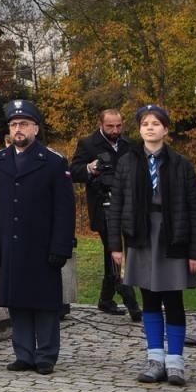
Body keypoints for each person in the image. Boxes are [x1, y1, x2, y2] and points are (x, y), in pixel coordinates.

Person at [106, 104, 196, 387]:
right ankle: (154, 358)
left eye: (156, 123)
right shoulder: (127, 162)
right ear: (139, 129)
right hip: (141, 236)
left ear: (166, 129)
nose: (150, 127)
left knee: (173, 299)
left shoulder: (181, 164)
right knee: (148, 298)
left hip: (173, 236)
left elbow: (195, 209)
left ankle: (175, 361)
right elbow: (117, 207)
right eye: (145, 123)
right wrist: (116, 245)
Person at [0, 100, 72, 374]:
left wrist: (61, 246)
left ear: (36, 128)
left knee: (44, 302)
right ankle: (23, 352)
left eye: (23, 124)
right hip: (10, 242)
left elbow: (65, 210)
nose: (18, 129)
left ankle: (45, 354)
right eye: (13, 124)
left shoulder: (54, 162)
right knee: (17, 300)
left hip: (42, 244)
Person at [69, 109, 139, 319]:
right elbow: (73, 171)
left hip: (127, 207)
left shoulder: (129, 145)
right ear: (101, 124)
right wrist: (90, 169)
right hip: (103, 207)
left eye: (118, 126)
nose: (115, 130)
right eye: (110, 126)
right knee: (113, 249)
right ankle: (130, 300)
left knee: (115, 251)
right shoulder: (88, 144)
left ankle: (105, 299)